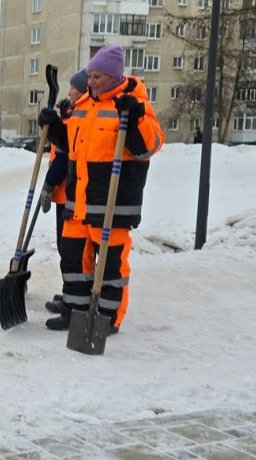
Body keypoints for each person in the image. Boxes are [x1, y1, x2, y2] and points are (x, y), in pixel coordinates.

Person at [39, 45, 164, 334]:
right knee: (73, 261)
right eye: (90, 75)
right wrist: (54, 128)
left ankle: (107, 319)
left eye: (97, 76)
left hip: (112, 204)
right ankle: (75, 312)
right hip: (79, 202)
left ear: (113, 76)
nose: (91, 81)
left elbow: (149, 146)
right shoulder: (83, 105)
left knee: (110, 269)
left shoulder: (133, 104)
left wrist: (132, 121)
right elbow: (71, 146)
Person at [40, 70, 86, 315]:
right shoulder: (73, 114)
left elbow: (66, 154)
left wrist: (48, 184)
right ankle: (71, 292)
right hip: (64, 194)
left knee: (70, 250)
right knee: (66, 248)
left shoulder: (82, 117)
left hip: (71, 194)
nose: (69, 93)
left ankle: (75, 296)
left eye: (74, 89)